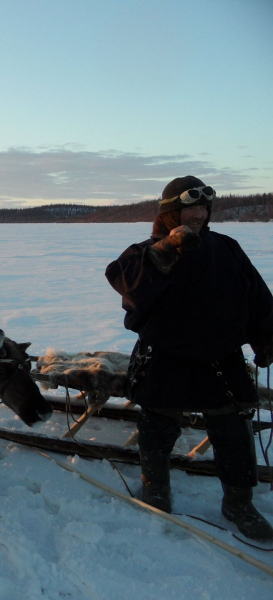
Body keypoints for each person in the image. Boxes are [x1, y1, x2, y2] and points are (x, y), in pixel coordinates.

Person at [105, 175, 273, 542]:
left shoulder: (227, 248)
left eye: (202, 209)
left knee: (233, 429)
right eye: (189, 209)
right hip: (166, 354)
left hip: (220, 356)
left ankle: (239, 503)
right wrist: (165, 250)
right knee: (158, 425)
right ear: (170, 213)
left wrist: (266, 337)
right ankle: (157, 488)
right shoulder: (143, 252)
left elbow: (258, 298)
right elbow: (125, 284)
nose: (197, 216)